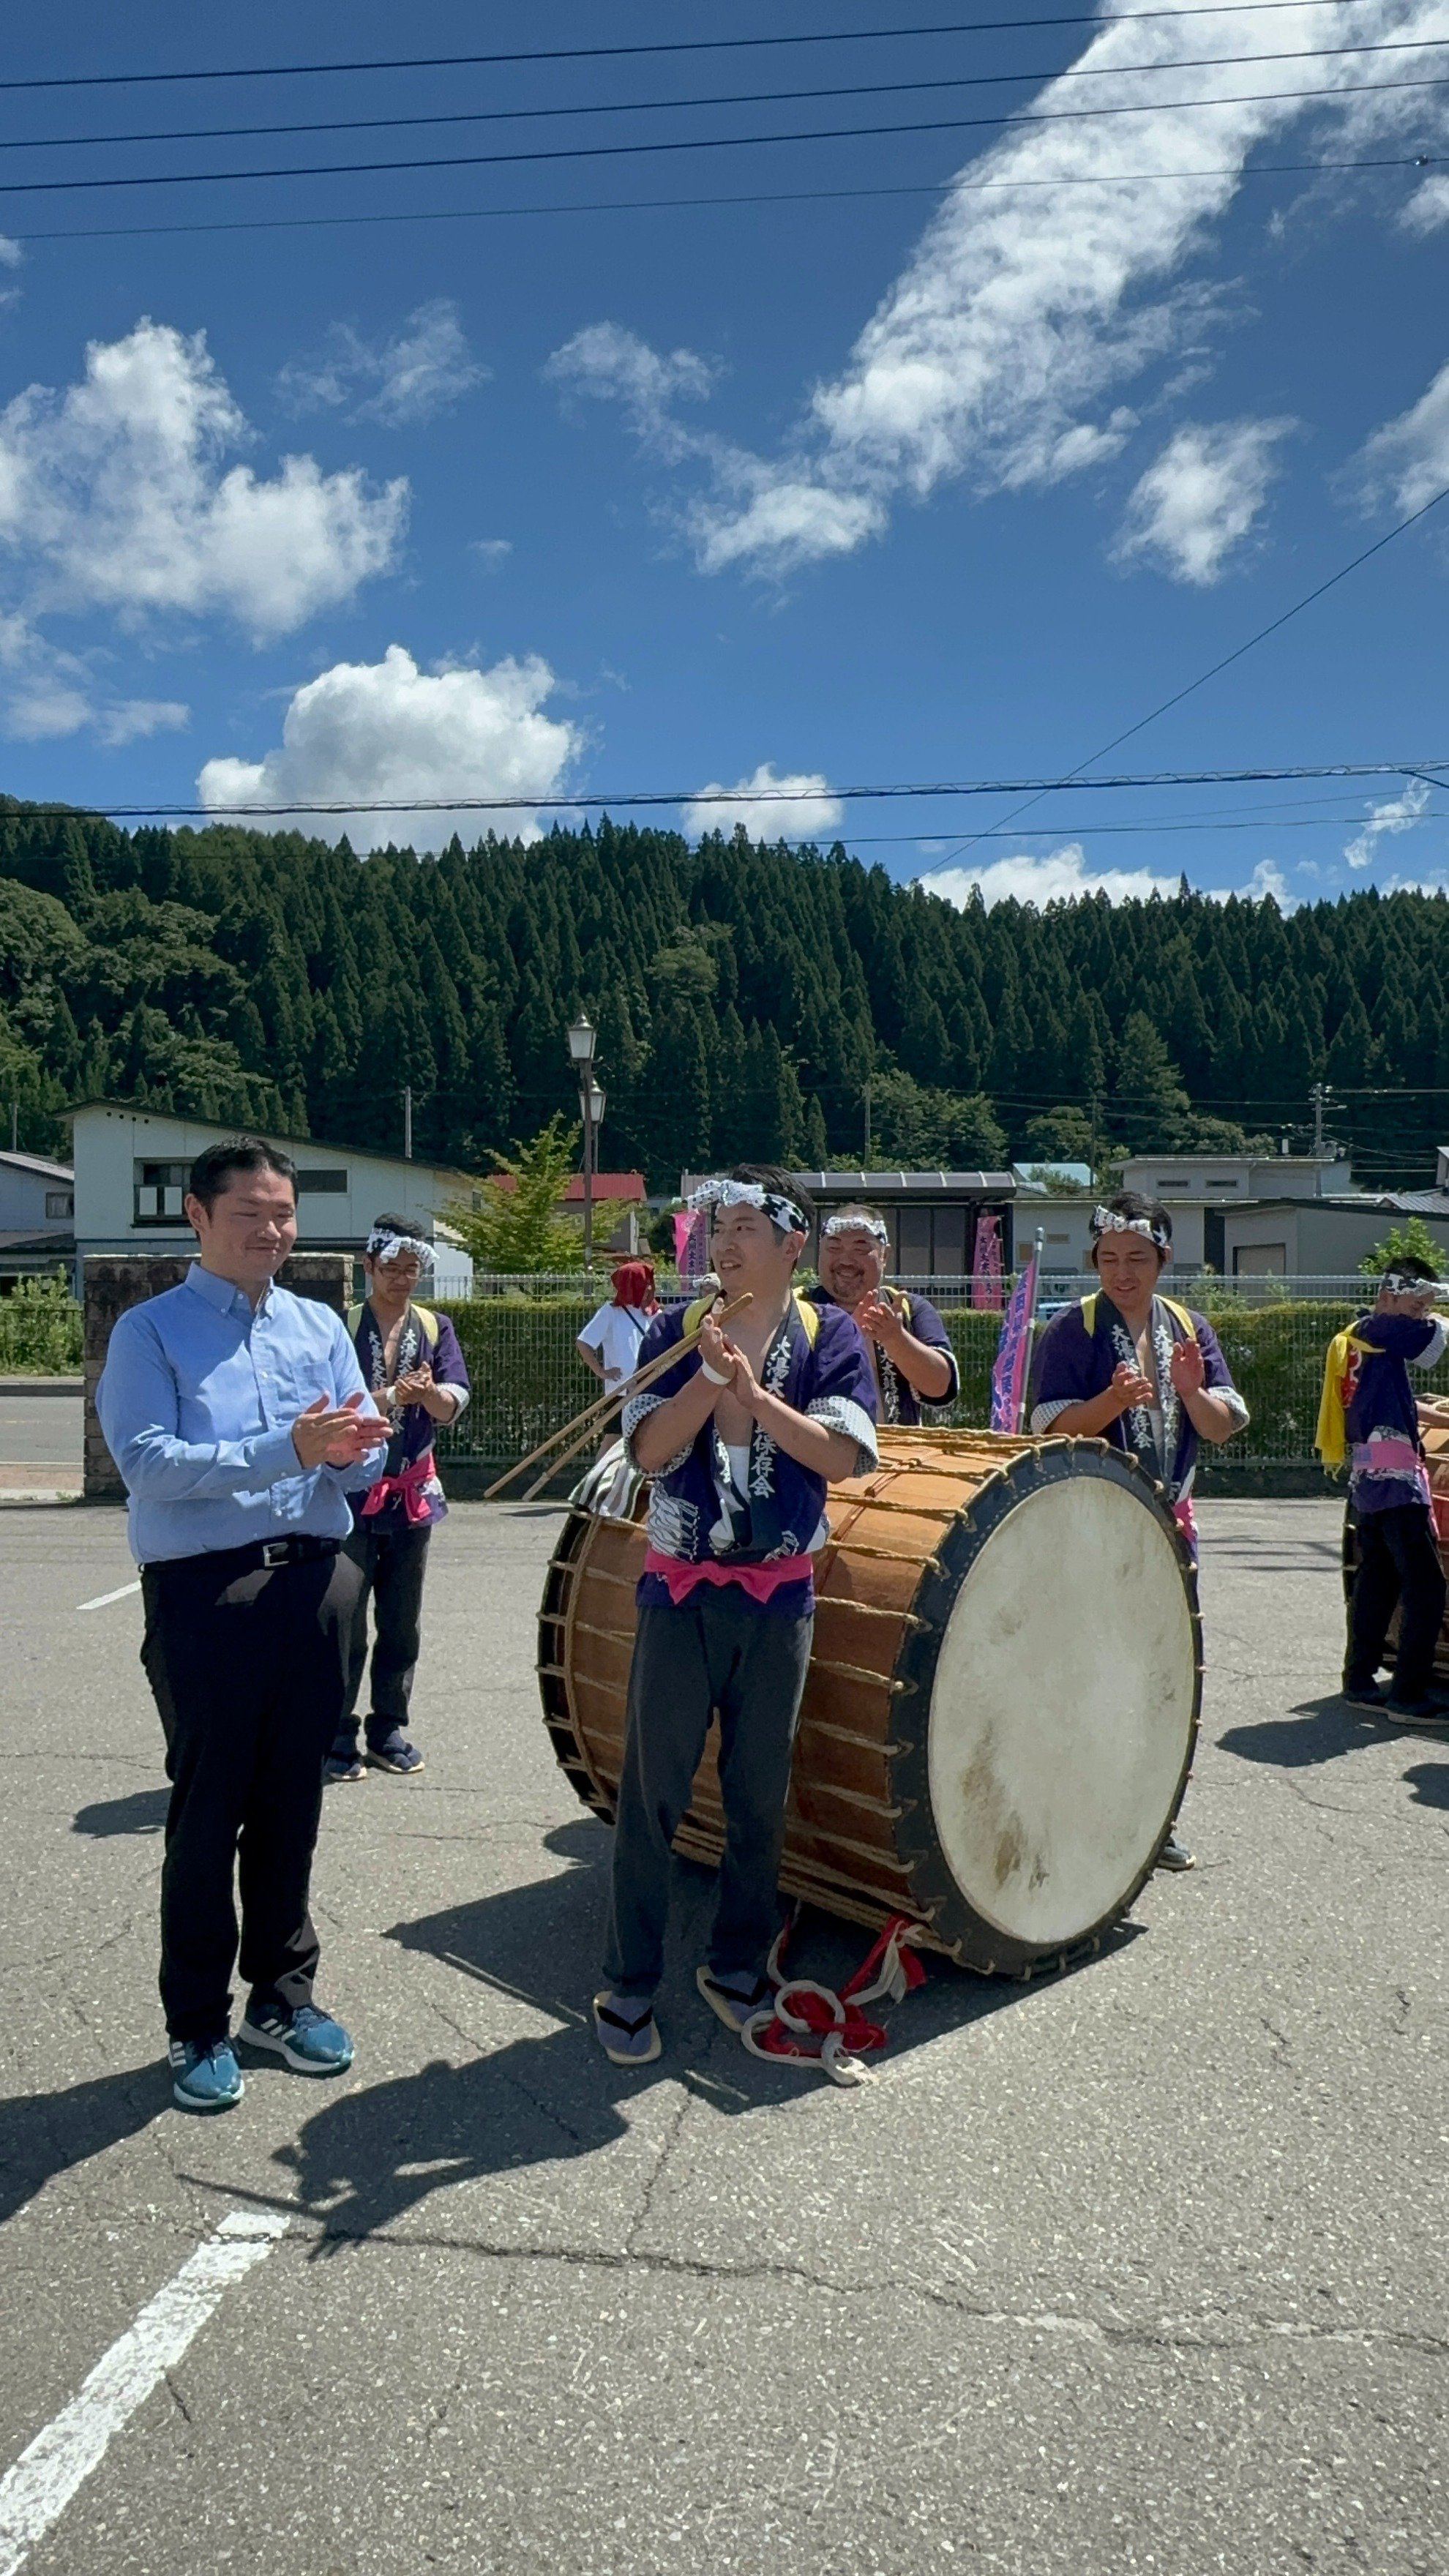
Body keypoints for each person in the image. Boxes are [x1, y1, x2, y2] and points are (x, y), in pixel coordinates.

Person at [97, 1138, 387, 2116]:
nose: (272, 1231)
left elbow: (354, 1461)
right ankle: (196, 2021)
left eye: (284, 1214)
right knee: (208, 1808)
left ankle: (282, 1996)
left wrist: (354, 1453)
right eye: (249, 1214)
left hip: (317, 1585)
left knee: (293, 1803)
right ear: (196, 1215)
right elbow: (149, 1462)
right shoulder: (150, 1332)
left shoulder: (318, 1324)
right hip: (206, 1593)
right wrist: (288, 1448)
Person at [592, 1165, 878, 2067]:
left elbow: (843, 1456)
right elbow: (646, 1450)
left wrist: (755, 1398)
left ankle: (738, 1961)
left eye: (746, 1226)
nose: (725, 1242)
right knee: (652, 1793)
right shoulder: (676, 1329)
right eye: (719, 1227)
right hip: (679, 1592)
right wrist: (707, 1383)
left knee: (760, 1794)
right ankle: (630, 1978)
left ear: (794, 1244)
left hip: (779, 1595)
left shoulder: (829, 1332)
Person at [1027, 1192, 1249, 1871]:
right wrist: (1112, 1401)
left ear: (1163, 1259)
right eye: (1109, 1258)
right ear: (1095, 1260)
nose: (1122, 1272)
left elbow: (1222, 1427)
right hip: (1092, 1523)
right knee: (1089, 1672)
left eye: (1137, 1258)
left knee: (1165, 1673)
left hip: (1171, 1523)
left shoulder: (1189, 1327)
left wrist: (1192, 1390)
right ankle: (1080, 1818)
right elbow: (1048, 1428)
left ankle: (1155, 1820)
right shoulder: (1073, 1328)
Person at [323, 1218, 472, 1784]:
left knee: (401, 1621)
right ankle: (336, 1733)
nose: (403, 1278)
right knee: (344, 1619)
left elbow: (453, 1402)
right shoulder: (342, 1326)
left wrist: (428, 1393)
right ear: (368, 1266)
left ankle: (387, 1727)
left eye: (413, 1269)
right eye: (392, 1268)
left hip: (411, 1491)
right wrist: (388, 1396)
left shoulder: (435, 1327)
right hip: (349, 1494)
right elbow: (330, 1405)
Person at [1319, 1257, 1449, 1725]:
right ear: (1388, 1296)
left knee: (1378, 1579)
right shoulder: (1384, 1328)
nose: (1421, 1316)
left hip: (1369, 1473)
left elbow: (1394, 1400)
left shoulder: (1361, 1337)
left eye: (1425, 1308)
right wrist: (1438, 1318)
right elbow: (1431, 1347)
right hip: (1395, 1480)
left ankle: (1359, 1680)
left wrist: (1438, 1416)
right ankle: (1409, 1694)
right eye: (1416, 1306)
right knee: (1427, 1587)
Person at [807, 1202, 959, 1423]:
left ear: (884, 1256)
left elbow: (940, 1387)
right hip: (819, 1441)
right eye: (834, 1248)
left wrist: (895, 1338)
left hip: (898, 1443)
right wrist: (846, 1339)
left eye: (860, 1249)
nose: (846, 1261)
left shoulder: (908, 1308)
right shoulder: (798, 1307)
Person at [576, 1259, 660, 1398]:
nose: (648, 1289)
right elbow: (583, 1343)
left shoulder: (655, 1313)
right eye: (643, 1285)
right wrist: (601, 1372)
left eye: (649, 1284)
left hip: (652, 1390)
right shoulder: (610, 1312)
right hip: (620, 1392)